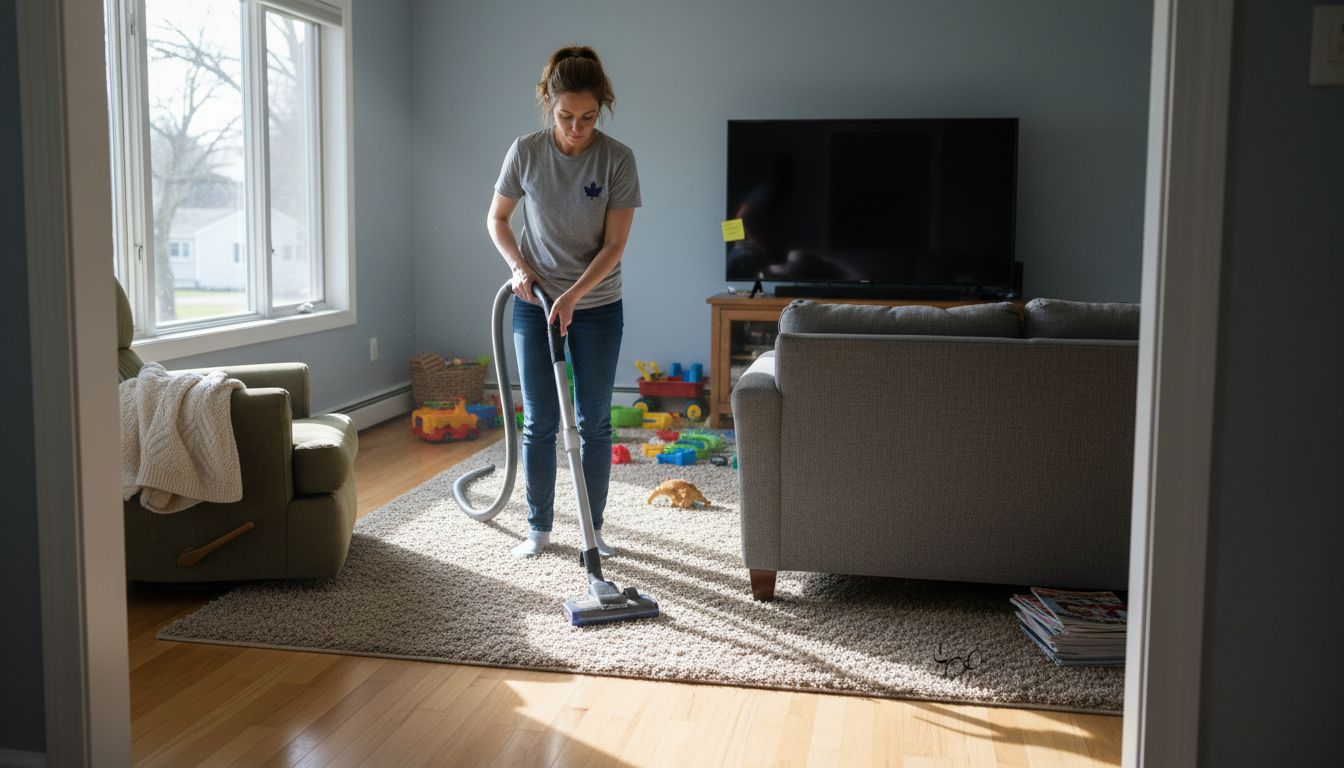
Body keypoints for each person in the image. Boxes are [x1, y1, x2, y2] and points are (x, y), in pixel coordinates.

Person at [486, 45, 641, 558]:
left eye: (588, 117)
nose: (577, 127)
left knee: (594, 420)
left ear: (603, 107)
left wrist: (575, 295)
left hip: (597, 305)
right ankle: (539, 528)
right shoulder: (526, 151)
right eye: (566, 116)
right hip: (535, 301)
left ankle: (592, 530)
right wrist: (518, 268)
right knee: (540, 420)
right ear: (548, 105)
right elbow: (498, 219)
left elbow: (615, 245)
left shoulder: (617, 158)